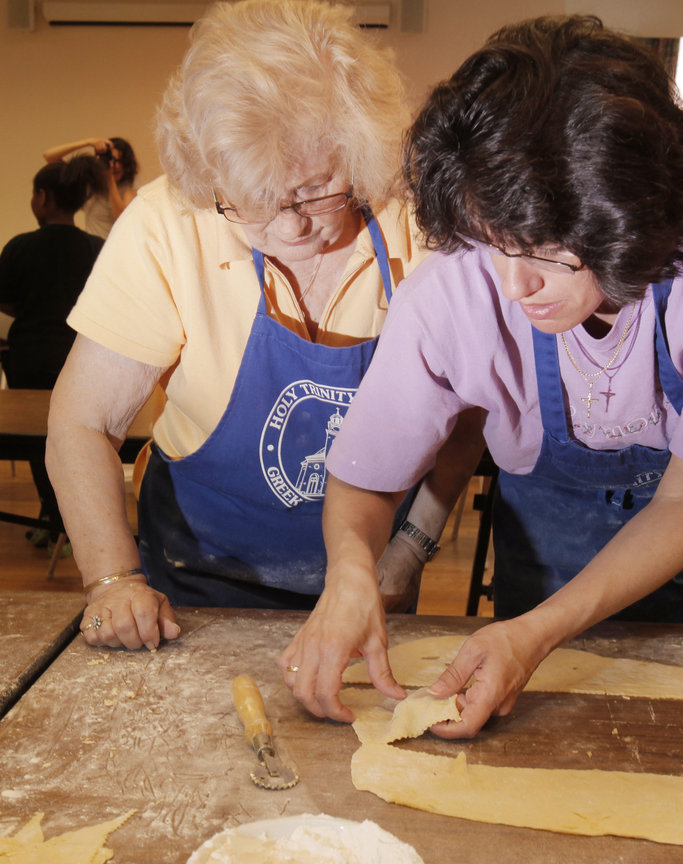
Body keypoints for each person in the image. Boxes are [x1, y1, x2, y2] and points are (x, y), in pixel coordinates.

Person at [281, 15, 683, 738]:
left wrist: (534, 634)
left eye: (549, 254)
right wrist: (350, 570)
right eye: (492, 242)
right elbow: (368, 473)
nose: (514, 285)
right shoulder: (453, 287)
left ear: (633, 224)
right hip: (546, 576)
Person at [46, 0, 482, 652]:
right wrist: (112, 579)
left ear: (360, 148)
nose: (288, 227)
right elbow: (83, 422)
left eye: (313, 191)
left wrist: (411, 549)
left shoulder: (420, 223)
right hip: (195, 578)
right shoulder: (169, 222)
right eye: (249, 201)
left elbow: (464, 416)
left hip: (372, 578)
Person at [0, 156, 105, 548]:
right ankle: (79, 525)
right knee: (78, 439)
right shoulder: (97, 247)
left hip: (29, 356)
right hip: (83, 358)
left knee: (34, 440)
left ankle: (50, 513)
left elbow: (6, 302)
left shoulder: (20, 247)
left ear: (43, 198)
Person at [43, 136, 138, 237]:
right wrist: (88, 142)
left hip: (119, 250)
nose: (116, 166)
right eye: (112, 159)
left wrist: (110, 180)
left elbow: (123, 218)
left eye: (121, 161)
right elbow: (49, 156)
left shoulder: (130, 188)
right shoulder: (91, 185)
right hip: (96, 249)